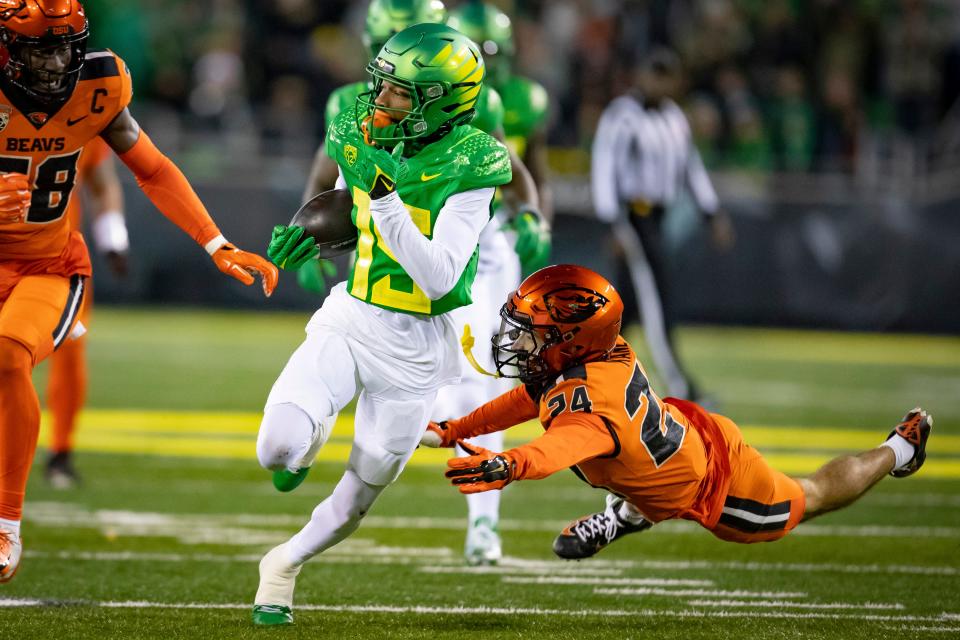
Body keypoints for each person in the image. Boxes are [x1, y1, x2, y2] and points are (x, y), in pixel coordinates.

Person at [0, 0, 277, 584]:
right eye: (39, 48)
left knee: (8, 355)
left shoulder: (97, 86)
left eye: (64, 46)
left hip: (47, 265)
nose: (56, 61)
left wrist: (215, 242)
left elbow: (151, 169)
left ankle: (6, 522)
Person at [252, 23, 512, 625]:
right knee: (278, 446)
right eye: (383, 86)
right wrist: (310, 235)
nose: (382, 100)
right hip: (353, 316)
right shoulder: (366, 127)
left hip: (420, 345)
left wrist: (387, 194)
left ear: (442, 102)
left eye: (401, 92)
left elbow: (442, 278)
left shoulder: (477, 160)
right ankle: (306, 442)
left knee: (355, 499)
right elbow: (349, 206)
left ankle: (283, 564)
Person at [421, 264, 933, 561]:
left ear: (571, 340)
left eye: (531, 331)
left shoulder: (592, 405)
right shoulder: (599, 351)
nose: (516, 340)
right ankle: (628, 513)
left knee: (809, 498)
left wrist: (508, 465)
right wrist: (457, 429)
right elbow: (530, 400)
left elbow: (559, 447)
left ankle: (899, 448)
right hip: (670, 436)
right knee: (632, 475)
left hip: (715, 483)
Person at [297, 0, 544, 566]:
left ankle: (484, 522)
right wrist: (307, 229)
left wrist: (533, 215)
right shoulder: (353, 106)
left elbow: (522, 173)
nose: (391, 75)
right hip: (385, 256)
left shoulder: (476, 101)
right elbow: (325, 178)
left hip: (470, 256)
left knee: (483, 377)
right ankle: (304, 439)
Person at [591, 47, 734, 402]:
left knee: (628, 306)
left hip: (659, 216)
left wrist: (711, 212)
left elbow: (691, 168)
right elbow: (603, 167)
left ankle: (589, 369)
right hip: (631, 216)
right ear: (642, 75)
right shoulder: (622, 115)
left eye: (666, 73)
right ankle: (680, 386)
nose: (659, 81)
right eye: (654, 72)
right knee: (657, 298)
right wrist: (610, 223)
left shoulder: (674, 117)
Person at [44, 137, 127, 488]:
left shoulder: (84, 111)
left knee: (71, 348)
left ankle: (60, 452)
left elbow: (101, 179)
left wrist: (113, 237)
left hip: (59, 259)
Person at [448, 1, 552, 275]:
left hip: (501, 217)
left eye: (490, 49)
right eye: (471, 49)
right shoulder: (435, 102)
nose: (481, 59)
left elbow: (535, 177)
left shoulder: (527, 100)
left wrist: (538, 223)